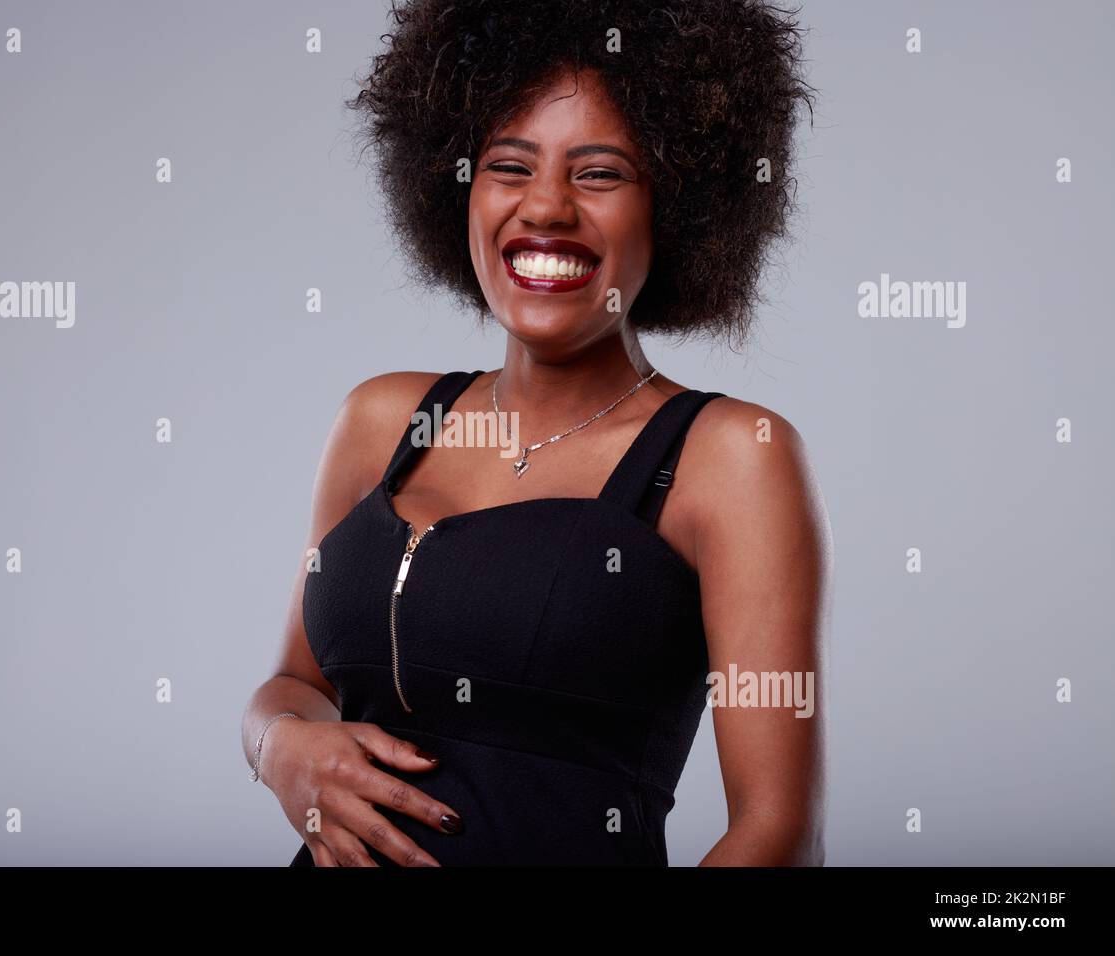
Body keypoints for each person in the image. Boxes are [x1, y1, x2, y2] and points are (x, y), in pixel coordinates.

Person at [242, 0, 830, 866]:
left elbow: (777, 835)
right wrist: (277, 749)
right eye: (509, 166)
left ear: (679, 204)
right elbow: (295, 684)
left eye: (599, 174)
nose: (545, 206)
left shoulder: (727, 456)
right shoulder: (384, 420)